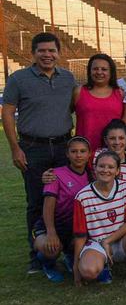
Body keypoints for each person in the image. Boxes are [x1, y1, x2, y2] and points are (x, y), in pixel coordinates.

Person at [2, 32, 76, 273]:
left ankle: (67, 250)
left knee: (67, 200)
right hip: (33, 148)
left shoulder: (68, 78)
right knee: (36, 201)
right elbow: (7, 114)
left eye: (51, 50)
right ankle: (37, 256)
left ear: (59, 53)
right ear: (32, 53)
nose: (47, 55)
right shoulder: (19, 79)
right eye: (42, 51)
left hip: (64, 147)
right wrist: (16, 148)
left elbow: (76, 107)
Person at [72, 150, 126, 286]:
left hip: (121, 240)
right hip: (97, 243)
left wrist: (108, 241)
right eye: (101, 166)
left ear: (117, 171)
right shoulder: (82, 197)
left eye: (110, 167)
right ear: (94, 169)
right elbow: (80, 234)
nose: (105, 170)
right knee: (88, 271)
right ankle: (103, 266)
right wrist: (76, 265)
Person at [33, 136, 92, 283]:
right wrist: (51, 232)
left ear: (89, 154)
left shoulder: (93, 175)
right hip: (50, 226)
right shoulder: (55, 175)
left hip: (74, 228)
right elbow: (48, 205)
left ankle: (69, 255)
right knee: (52, 247)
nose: (78, 155)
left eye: (83, 151)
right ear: (67, 154)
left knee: (84, 245)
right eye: (74, 151)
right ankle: (48, 264)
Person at [73, 54, 124, 150]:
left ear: (111, 72)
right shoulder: (79, 91)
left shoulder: (120, 93)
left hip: (112, 151)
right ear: (89, 71)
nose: (99, 72)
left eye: (104, 69)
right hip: (84, 152)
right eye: (95, 69)